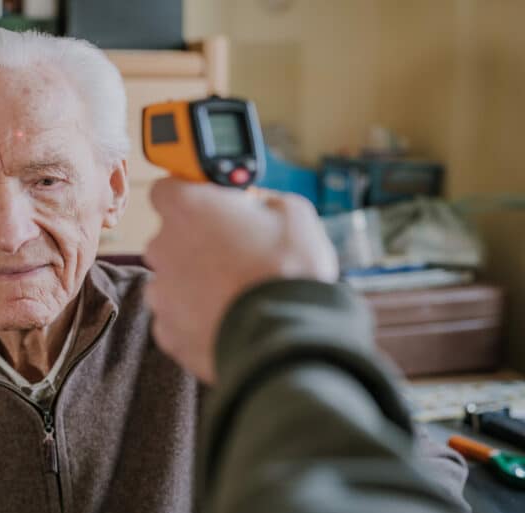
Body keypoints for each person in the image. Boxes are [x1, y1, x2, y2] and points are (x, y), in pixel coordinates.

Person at [0, 27, 466, 512]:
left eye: (47, 180)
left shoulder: (221, 327)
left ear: (114, 191)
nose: (8, 232)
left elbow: (420, 478)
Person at [145, 179, 470, 513]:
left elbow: (427, 463)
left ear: (115, 190)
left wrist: (276, 310)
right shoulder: (193, 307)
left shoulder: (194, 311)